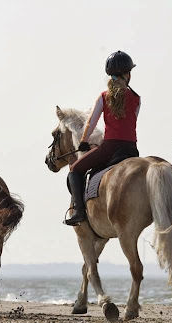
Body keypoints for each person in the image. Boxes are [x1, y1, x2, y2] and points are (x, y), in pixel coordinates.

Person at [65, 51, 140, 226]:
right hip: (132, 149)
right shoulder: (136, 98)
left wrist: (84, 141)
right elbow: (133, 121)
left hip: (110, 148)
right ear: (127, 74)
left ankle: (79, 212)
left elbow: (91, 122)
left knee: (75, 170)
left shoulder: (103, 97)